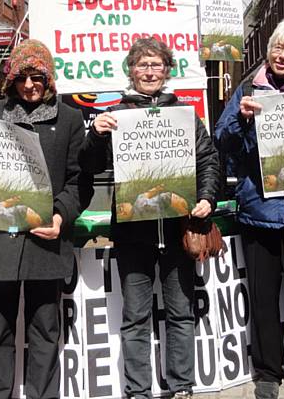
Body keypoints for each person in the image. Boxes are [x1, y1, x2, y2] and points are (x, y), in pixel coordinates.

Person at [80, 37, 220, 399]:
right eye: (142, 65)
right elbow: (89, 165)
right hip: (133, 234)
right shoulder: (115, 115)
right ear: (131, 70)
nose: (149, 71)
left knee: (181, 314)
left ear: (167, 70)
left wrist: (206, 197)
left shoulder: (186, 115)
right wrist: (96, 135)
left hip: (178, 232)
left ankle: (182, 386)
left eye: (156, 65)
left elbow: (208, 161)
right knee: (135, 318)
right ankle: (138, 391)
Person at [0, 39, 89, 398]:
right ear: (10, 80)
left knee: (45, 330)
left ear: (49, 78)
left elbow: (80, 181)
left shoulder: (69, 119)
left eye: (37, 77)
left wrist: (61, 216)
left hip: (45, 244)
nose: (30, 85)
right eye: (22, 78)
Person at [214, 17, 284, 399]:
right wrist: (242, 121)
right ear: (269, 50)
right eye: (279, 47)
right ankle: (267, 372)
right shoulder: (248, 88)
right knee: (263, 296)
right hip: (260, 211)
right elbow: (221, 141)